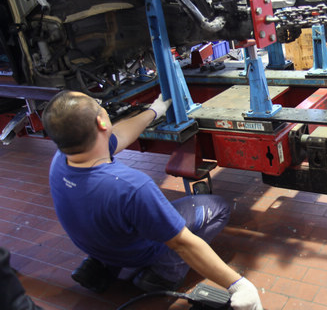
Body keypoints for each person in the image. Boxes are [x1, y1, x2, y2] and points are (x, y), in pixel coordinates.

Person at [42, 90, 262, 310]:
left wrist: (154, 111)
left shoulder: (62, 159)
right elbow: (183, 243)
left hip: (101, 245)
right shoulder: (129, 186)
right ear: (101, 122)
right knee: (217, 207)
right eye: (99, 106)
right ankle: (163, 274)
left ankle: (101, 267)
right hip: (137, 252)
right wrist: (238, 285)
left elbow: (119, 134)